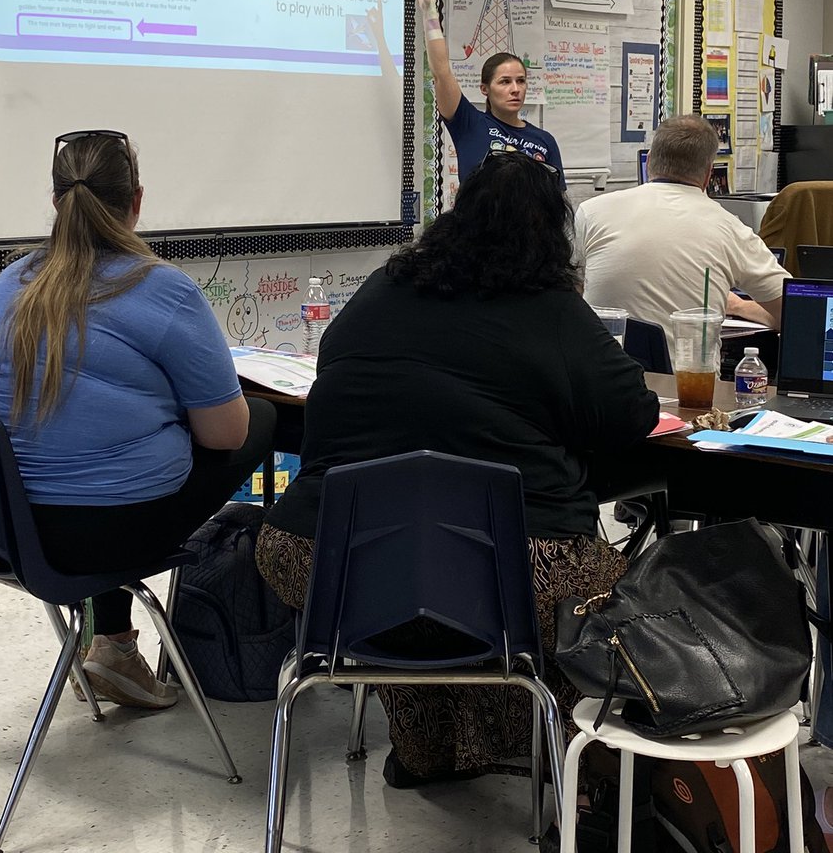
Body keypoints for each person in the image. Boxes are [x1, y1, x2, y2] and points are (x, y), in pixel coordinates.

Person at [255, 150, 658, 786]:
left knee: (411, 587)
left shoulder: (383, 288)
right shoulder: (550, 309)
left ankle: (431, 751)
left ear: (456, 216)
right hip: (507, 565)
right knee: (613, 582)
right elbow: (633, 413)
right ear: (551, 236)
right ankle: (560, 756)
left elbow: (331, 364)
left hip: (326, 557)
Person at [0, 130, 261, 709]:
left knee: (103, 457)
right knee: (261, 423)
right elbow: (227, 434)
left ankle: (113, 647)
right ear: (136, 201)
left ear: (55, 202)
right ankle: (260, 622)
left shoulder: (4, 284)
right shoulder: (163, 290)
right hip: (92, 539)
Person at [574, 114, 789, 354]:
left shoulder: (590, 212)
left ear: (650, 162)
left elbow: (568, 290)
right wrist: (739, 306)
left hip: (598, 380)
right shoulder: (730, 229)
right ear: (709, 174)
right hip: (686, 385)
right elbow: (796, 313)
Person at [408, 0, 564, 184]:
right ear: (485, 89)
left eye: (521, 81)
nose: (515, 89)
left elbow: (557, 204)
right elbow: (441, 72)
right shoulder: (470, 124)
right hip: (477, 219)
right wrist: (429, 10)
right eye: (504, 82)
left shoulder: (544, 140)